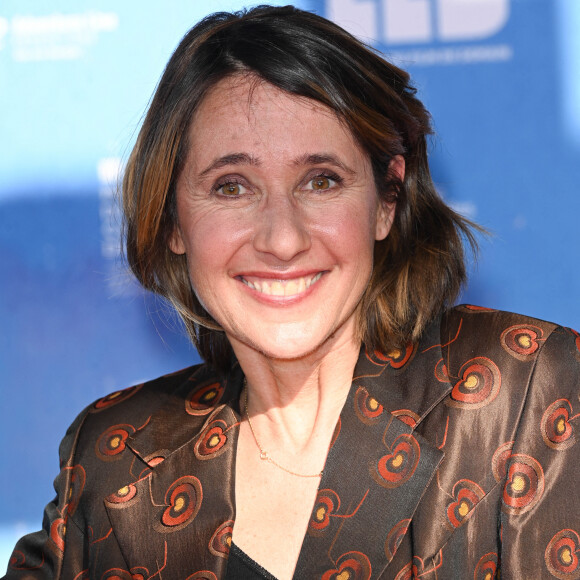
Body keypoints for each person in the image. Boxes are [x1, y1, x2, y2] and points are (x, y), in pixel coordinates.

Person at [4, 5, 580, 580]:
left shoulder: (525, 391)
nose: (282, 239)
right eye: (231, 187)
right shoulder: (113, 455)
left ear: (387, 201)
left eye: (321, 180)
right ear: (174, 221)